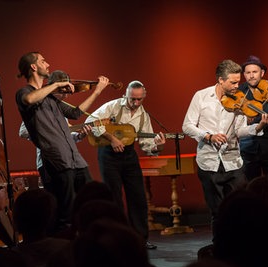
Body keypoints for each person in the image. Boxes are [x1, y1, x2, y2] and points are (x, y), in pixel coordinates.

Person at [15, 51, 109, 234]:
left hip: (74, 158)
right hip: (57, 159)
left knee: (92, 199)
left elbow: (75, 113)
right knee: (65, 211)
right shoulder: (24, 92)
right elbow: (29, 99)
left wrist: (97, 91)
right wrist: (57, 84)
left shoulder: (50, 98)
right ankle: (65, 249)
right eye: (43, 61)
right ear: (33, 67)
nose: (47, 64)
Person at [182, 59, 268, 237]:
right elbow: (187, 126)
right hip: (209, 162)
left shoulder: (239, 99)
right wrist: (208, 136)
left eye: (238, 81)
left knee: (242, 207)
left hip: (233, 161)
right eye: (233, 82)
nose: (237, 86)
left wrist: (259, 126)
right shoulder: (201, 96)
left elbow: (240, 131)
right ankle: (220, 248)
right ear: (220, 80)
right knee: (218, 212)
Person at [85, 80, 165, 250]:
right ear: (125, 95)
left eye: (139, 100)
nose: (135, 103)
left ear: (143, 97)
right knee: (114, 198)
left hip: (129, 155)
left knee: (138, 197)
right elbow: (90, 121)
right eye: (132, 99)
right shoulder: (113, 106)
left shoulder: (143, 114)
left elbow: (146, 144)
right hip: (108, 154)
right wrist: (111, 138)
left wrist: (157, 145)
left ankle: (140, 239)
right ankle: (117, 239)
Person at [18, 70, 92, 191]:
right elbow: (22, 131)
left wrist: (79, 136)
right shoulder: (40, 106)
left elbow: (67, 134)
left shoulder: (60, 108)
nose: (66, 96)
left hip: (67, 159)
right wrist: (48, 132)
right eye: (63, 92)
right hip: (48, 161)